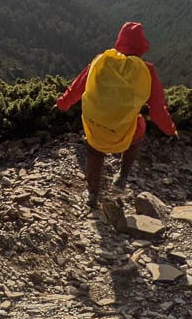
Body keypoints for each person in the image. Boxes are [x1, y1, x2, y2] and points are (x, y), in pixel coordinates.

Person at [56, 21, 176, 207]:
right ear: (142, 45)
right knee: (139, 127)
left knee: (94, 150)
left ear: (119, 40)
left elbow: (77, 88)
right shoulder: (147, 71)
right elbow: (158, 110)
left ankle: (92, 194)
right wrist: (170, 130)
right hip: (123, 131)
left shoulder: (101, 61)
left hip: (96, 125)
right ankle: (122, 176)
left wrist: (62, 104)